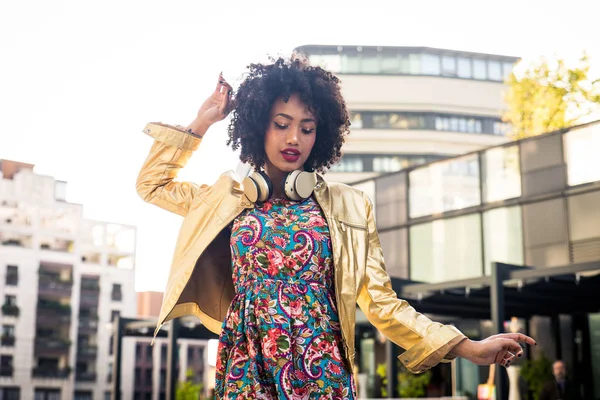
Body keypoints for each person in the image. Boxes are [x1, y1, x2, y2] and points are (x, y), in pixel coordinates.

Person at [136, 56, 536, 399]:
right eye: (281, 123)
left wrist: (466, 347)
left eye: (307, 128)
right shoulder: (226, 198)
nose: (294, 138)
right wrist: (202, 121)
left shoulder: (350, 206)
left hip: (321, 364)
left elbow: (381, 303)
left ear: (320, 135)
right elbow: (152, 184)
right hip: (247, 362)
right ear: (260, 125)